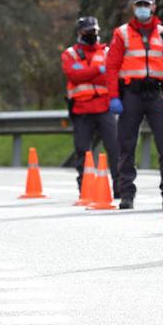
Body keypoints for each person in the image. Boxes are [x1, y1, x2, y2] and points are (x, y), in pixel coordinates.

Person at [106, 0, 163, 210]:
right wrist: (113, 97)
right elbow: (111, 67)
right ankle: (126, 193)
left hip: (157, 95)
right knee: (126, 145)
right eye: (139, 4)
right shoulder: (121, 33)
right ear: (133, 7)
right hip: (131, 94)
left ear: (153, 7)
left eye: (146, 4)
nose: (142, 8)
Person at [61, 16, 119, 194]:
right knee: (82, 151)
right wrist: (97, 70)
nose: (92, 34)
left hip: (104, 107)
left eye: (94, 31)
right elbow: (73, 75)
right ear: (80, 33)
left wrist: (87, 72)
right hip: (81, 109)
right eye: (88, 32)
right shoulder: (70, 54)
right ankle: (85, 188)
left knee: (114, 147)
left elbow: (111, 75)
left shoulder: (108, 52)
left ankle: (120, 186)